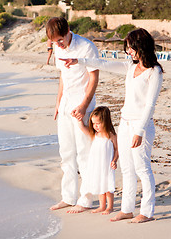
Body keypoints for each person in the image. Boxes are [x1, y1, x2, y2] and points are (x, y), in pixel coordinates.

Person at [60, 28, 163, 223]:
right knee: (127, 169)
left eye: (131, 48)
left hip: (141, 126)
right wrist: (79, 61)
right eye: (127, 48)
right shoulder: (130, 67)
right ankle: (127, 209)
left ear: (141, 46)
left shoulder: (154, 72)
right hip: (124, 123)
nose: (128, 52)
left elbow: (150, 105)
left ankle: (147, 212)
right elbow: (104, 64)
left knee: (142, 168)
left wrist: (139, 131)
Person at [46, 17, 100, 213]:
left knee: (84, 153)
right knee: (66, 153)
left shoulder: (87, 47)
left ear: (69, 30)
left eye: (60, 40)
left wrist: (84, 106)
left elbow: (94, 78)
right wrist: (58, 103)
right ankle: (68, 197)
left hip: (83, 105)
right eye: (54, 42)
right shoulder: (57, 47)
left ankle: (86, 199)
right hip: (66, 104)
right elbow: (63, 77)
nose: (58, 44)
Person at [77, 106, 118, 215]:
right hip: (97, 165)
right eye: (93, 123)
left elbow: (117, 149)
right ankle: (101, 206)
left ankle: (110, 207)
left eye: (98, 123)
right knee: (100, 185)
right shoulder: (95, 134)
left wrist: (114, 160)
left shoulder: (111, 135)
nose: (95, 126)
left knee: (108, 186)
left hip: (107, 165)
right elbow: (83, 128)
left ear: (106, 121)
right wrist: (79, 119)